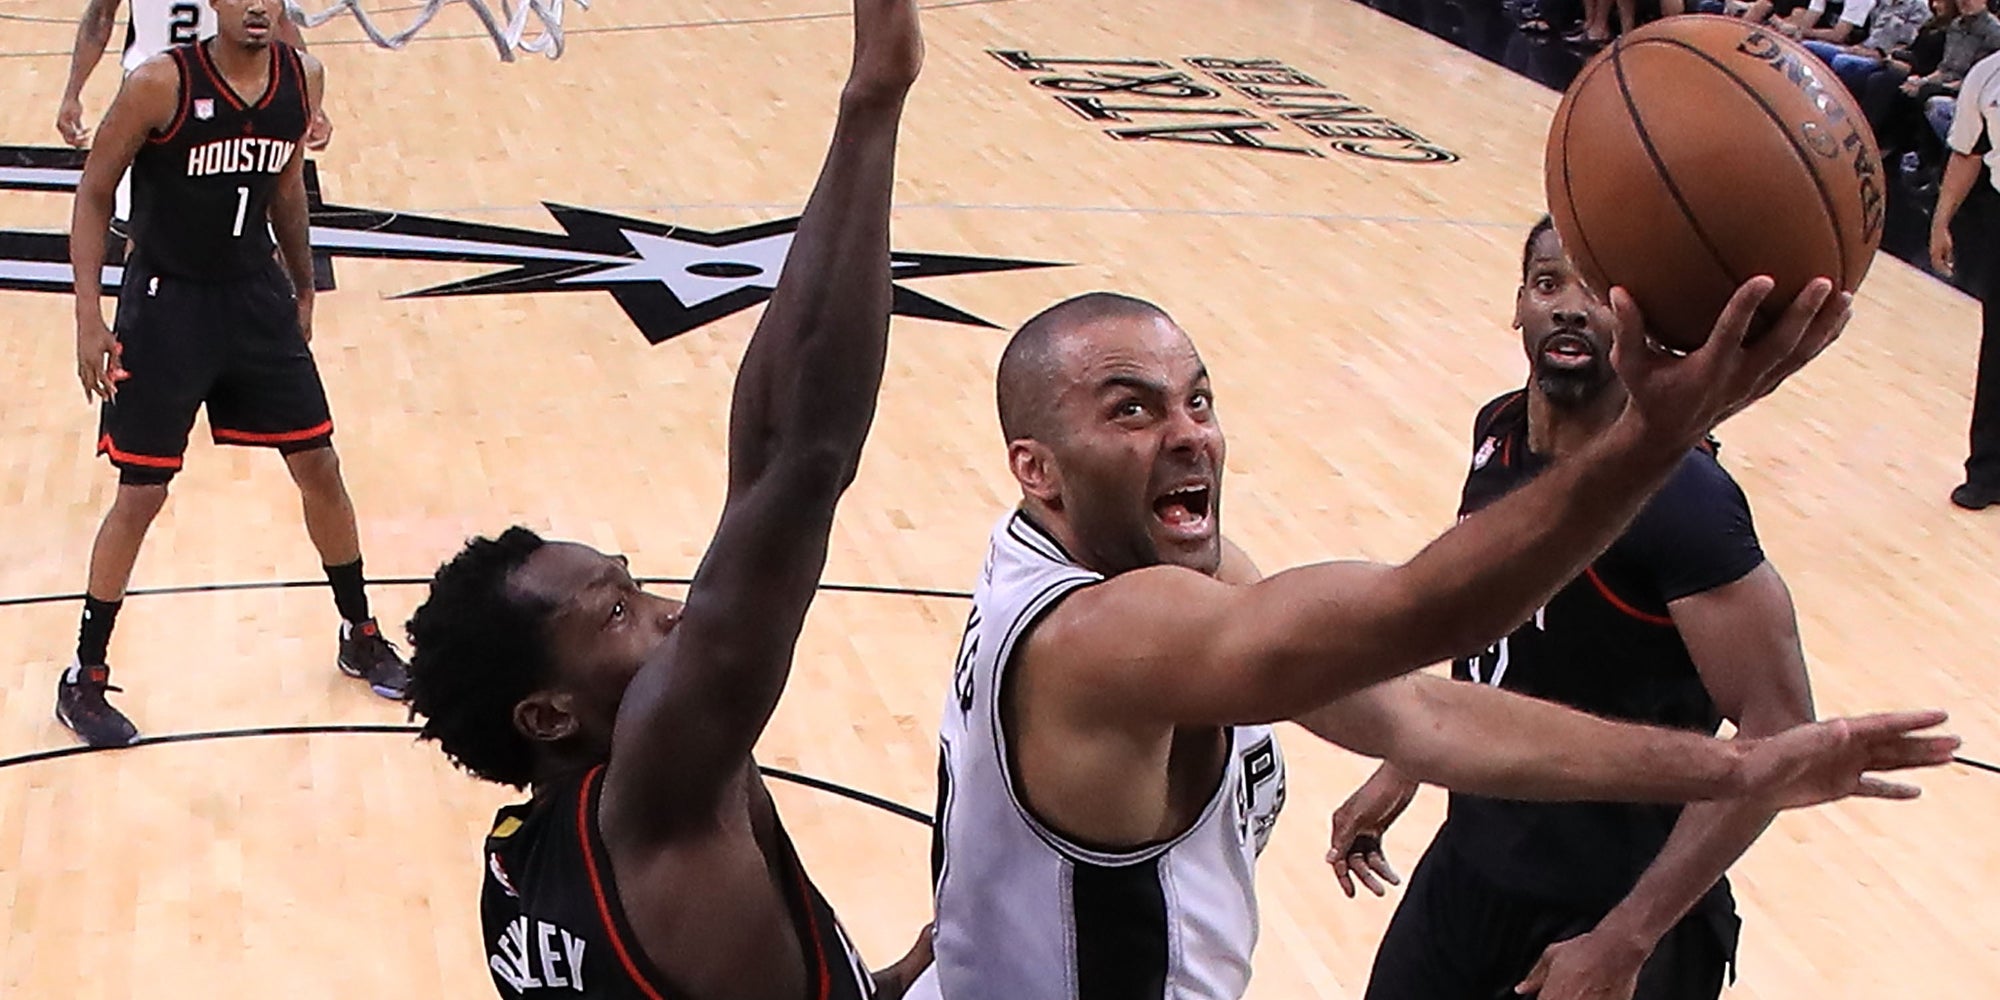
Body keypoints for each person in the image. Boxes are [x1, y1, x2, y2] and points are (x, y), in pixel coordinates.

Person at [918, 269, 1959, 999]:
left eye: (1197, 398)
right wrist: (1655, 436)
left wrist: (1734, 772)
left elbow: (1416, 706)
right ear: (1036, 467)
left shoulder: (1120, 566)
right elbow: (1423, 611)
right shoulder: (1106, 633)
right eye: (1131, 411)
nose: (1187, 431)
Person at [401, 0, 935, 995]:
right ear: (549, 713)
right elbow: (797, 458)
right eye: (614, 610)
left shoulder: (516, 861)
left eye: (633, 587)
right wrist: (871, 98)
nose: (667, 610)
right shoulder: (660, 786)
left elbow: (760, 474)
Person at [1326, 217, 1824, 1000]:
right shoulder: (1498, 434)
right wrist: (1406, 765)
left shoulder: (1684, 499)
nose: (1568, 307)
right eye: (1548, 283)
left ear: (1644, 326)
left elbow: (1782, 727)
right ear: (1517, 306)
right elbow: (1488, 629)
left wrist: (1626, 937)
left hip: (1612, 912)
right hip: (1472, 870)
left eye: (1597, 290)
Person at [62, 0, 404, 749]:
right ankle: (84, 675)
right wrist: (89, 320)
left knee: (320, 462)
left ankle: (360, 630)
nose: (255, 4)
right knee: (141, 494)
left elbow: (285, 186)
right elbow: (92, 193)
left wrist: (304, 281)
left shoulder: (303, 77)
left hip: (254, 297)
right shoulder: (159, 84)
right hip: (166, 303)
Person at [57, 0, 333, 233]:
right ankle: (141, 294)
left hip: (220, 86)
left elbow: (279, 20)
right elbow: (99, 18)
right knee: (144, 223)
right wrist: (71, 93)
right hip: (151, 94)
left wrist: (311, 102)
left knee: (249, 213)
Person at [1929, 48, 2000, 509]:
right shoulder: (1988, 73)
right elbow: (1968, 152)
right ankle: (1989, 472)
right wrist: (1941, 220)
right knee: (1998, 349)